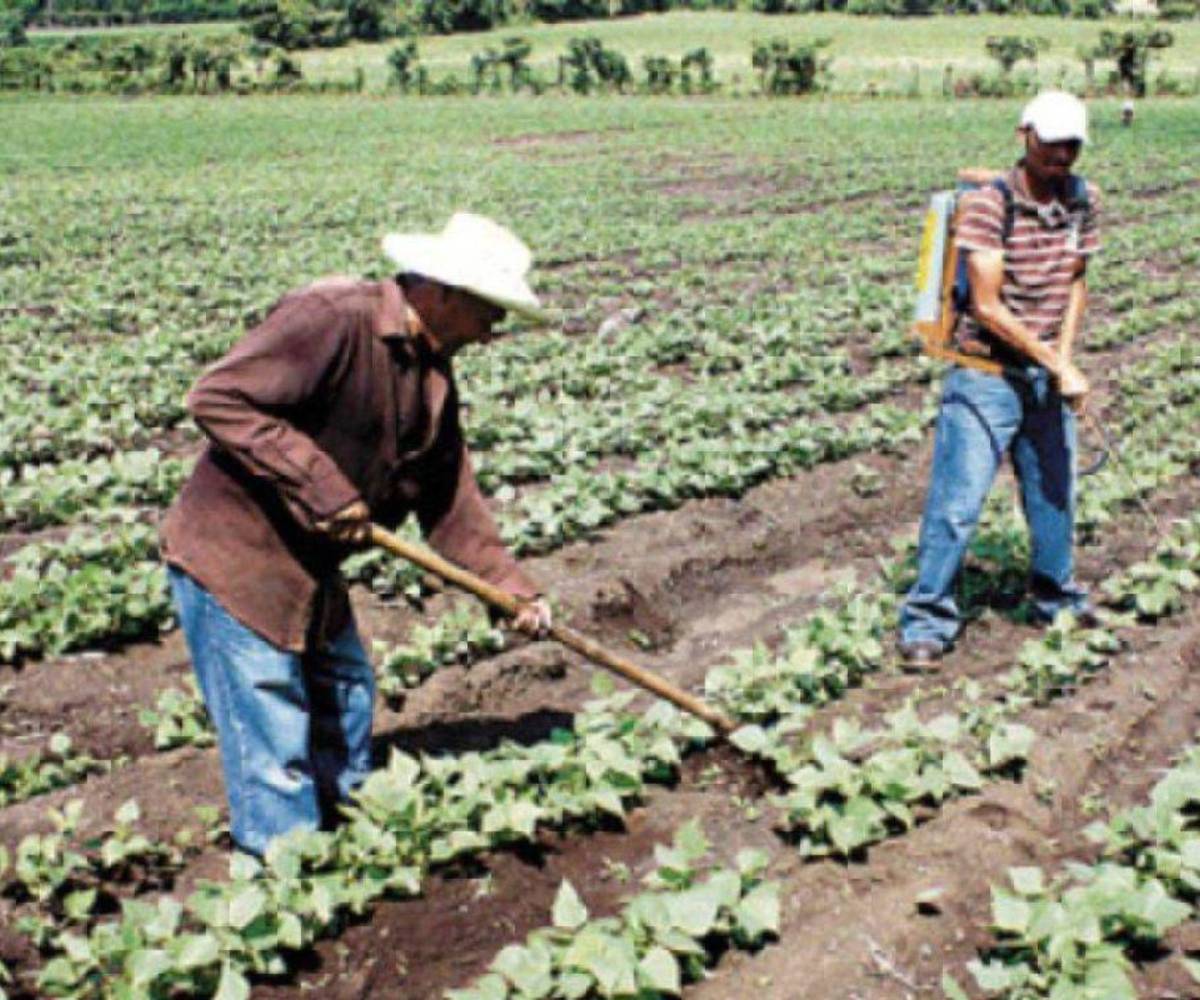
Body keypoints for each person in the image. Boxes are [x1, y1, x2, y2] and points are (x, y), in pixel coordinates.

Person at [161, 212, 553, 856]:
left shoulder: (431, 371)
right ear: (446, 291)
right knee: (271, 726)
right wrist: (320, 485)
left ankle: (354, 840)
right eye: (491, 310)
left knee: (345, 695)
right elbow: (217, 395)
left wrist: (508, 588)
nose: (495, 329)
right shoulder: (331, 319)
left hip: (312, 563)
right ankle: (283, 880)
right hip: (237, 556)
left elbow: (449, 497)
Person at [898, 91, 1101, 667]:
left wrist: (1061, 360)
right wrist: (1056, 362)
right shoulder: (990, 205)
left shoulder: (1083, 199)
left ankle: (1055, 598)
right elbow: (987, 306)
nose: (1062, 154)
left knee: (1055, 496)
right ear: (1024, 135)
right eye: (1052, 141)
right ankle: (926, 620)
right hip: (985, 372)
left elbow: (1075, 283)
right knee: (958, 503)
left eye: (1072, 144)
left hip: (1043, 374)